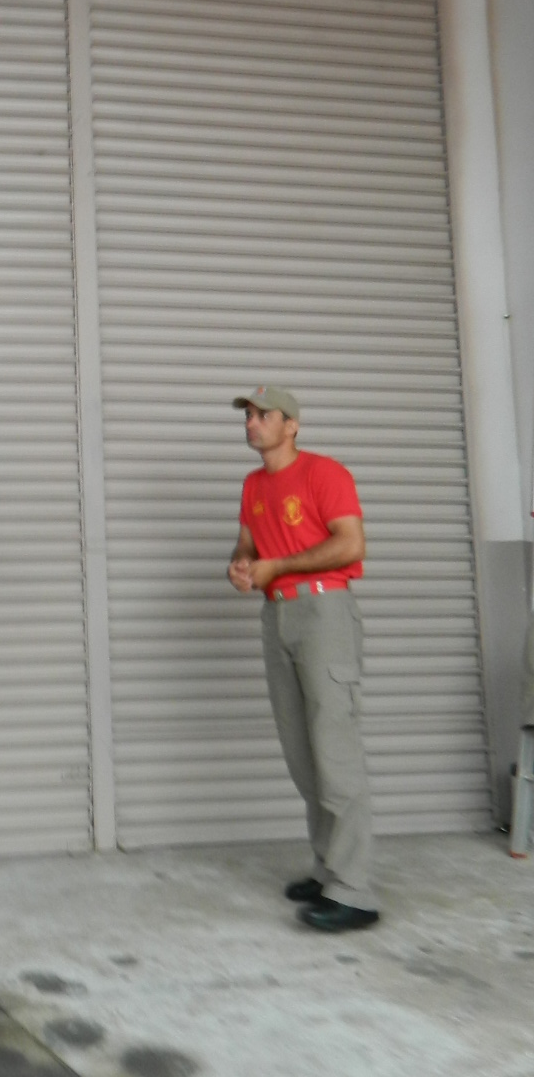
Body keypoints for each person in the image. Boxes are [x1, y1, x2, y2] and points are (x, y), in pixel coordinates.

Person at [227, 383, 378, 932]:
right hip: (278, 616)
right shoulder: (253, 485)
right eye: (247, 415)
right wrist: (241, 565)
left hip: (324, 614)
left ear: (291, 425)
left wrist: (280, 566)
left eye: (263, 415)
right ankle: (327, 869)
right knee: (301, 753)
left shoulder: (324, 473)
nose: (251, 423)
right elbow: (248, 544)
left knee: (335, 751)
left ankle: (355, 892)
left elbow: (350, 545)